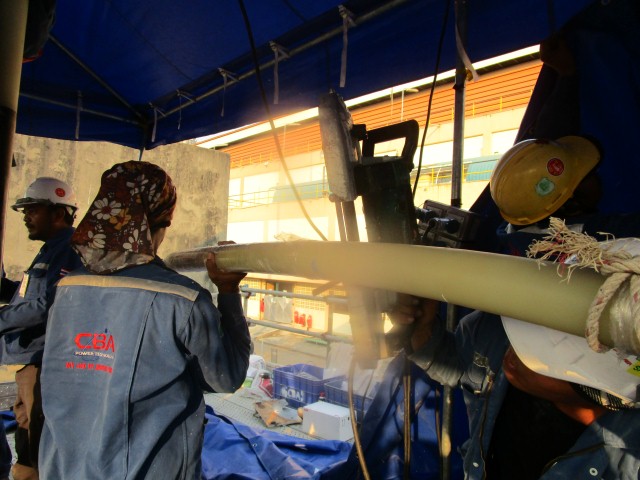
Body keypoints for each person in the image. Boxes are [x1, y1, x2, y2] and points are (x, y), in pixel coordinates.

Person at [390, 136, 640, 479]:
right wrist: (422, 334)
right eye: (588, 177)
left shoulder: (627, 311)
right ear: (575, 200)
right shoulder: (489, 322)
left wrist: (582, 403)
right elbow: (462, 371)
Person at [38, 161, 252, 479]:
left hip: (63, 466)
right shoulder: (183, 298)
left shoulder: (66, 287)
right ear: (160, 221)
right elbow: (227, 377)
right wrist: (229, 290)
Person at [0, 177, 83, 480]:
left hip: (46, 364)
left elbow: (50, 304)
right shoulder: (50, 249)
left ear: (58, 213)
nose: (26, 218)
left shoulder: (68, 250)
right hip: (33, 363)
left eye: (32, 210)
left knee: (36, 448)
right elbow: (29, 296)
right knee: (26, 434)